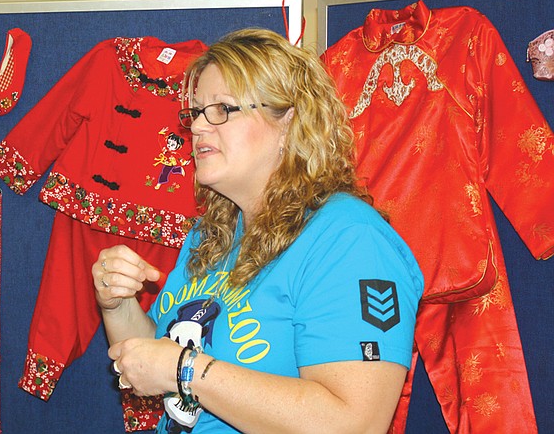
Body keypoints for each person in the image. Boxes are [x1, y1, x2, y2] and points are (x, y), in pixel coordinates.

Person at [92, 28, 424, 433]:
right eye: (195, 112)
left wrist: (186, 370)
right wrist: (120, 306)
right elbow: (159, 362)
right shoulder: (211, 234)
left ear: (289, 121)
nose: (197, 127)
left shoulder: (350, 240)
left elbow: (353, 423)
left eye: (222, 109)